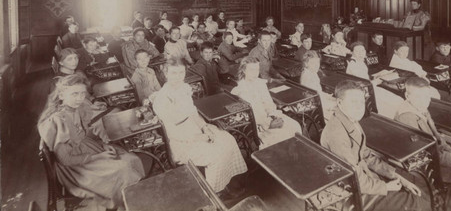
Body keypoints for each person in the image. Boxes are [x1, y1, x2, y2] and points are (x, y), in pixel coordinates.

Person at [38, 74, 145, 209]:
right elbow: (66, 159)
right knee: (122, 169)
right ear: (61, 96)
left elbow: (86, 132)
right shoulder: (58, 120)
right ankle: (126, 205)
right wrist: (99, 156)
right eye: (74, 94)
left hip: (88, 149)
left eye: (83, 94)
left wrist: (103, 144)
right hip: (76, 168)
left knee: (131, 159)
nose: (79, 98)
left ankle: (132, 201)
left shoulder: (78, 108)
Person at [320, 80, 425, 211]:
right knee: (412, 200)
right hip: (350, 191)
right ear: (339, 103)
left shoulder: (350, 120)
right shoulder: (337, 134)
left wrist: (396, 176)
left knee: (410, 181)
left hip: (362, 177)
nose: (360, 107)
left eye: (361, 102)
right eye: (353, 102)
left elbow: (366, 156)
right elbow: (354, 177)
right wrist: (385, 187)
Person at [153, 62, 247, 195]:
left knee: (229, 140)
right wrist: (200, 137)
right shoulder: (162, 99)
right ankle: (214, 192)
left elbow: (193, 113)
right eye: (174, 73)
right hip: (180, 142)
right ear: (166, 74)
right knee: (216, 153)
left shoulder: (183, 88)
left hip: (195, 128)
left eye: (181, 72)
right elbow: (172, 133)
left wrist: (204, 127)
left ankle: (226, 181)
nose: (178, 77)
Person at [395, 77, 451, 211]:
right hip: (422, 165)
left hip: (437, 155)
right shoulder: (407, 117)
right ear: (407, 95)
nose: (424, 101)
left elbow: (437, 138)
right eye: (418, 97)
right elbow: (422, 154)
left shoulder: (420, 109)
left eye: (427, 97)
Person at [231, 56, 302, 148]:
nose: (255, 73)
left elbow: (268, 103)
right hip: (257, 126)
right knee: (282, 134)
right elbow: (251, 116)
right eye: (251, 70)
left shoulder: (260, 83)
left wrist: (273, 116)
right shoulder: (240, 90)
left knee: (295, 125)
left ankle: (295, 153)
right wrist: (269, 125)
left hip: (269, 117)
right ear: (244, 71)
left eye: (257, 70)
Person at [346, 42, 404, 119]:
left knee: (398, 100)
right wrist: (377, 80)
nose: (361, 53)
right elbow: (364, 83)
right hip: (365, 92)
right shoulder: (354, 65)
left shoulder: (359, 61)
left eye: (362, 50)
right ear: (351, 52)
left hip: (369, 87)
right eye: (357, 51)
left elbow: (364, 77)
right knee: (396, 102)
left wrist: (378, 74)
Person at [300, 51, 337, 122]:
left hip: (318, 98)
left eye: (318, 63)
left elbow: (317, 91)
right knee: (340, 104)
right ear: (306, 63)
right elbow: (313, 96)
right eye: (313, 63)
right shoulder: (307, 76)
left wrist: (326, 95)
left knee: (337, 100)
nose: (317, 65)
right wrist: (327, 99)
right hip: (315, 103)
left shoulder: (312, 72)